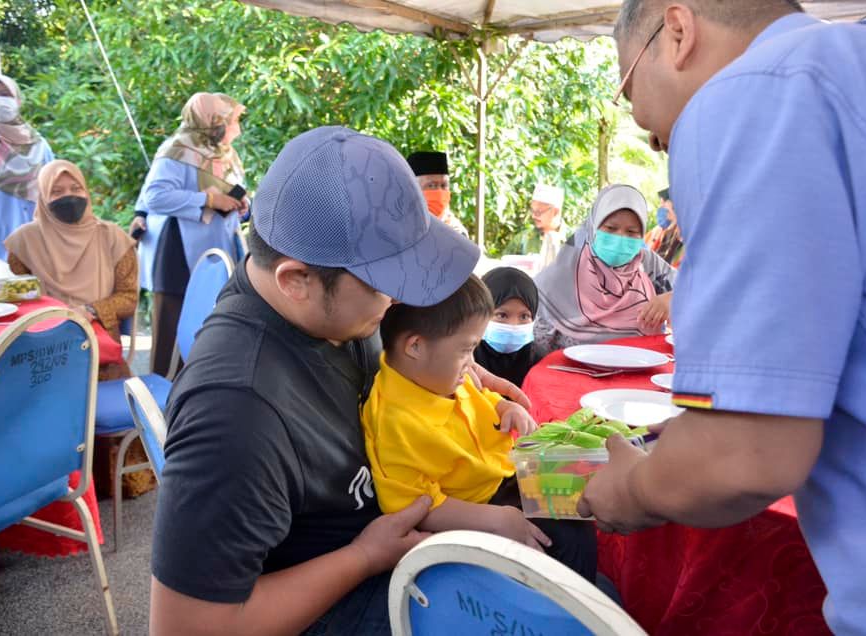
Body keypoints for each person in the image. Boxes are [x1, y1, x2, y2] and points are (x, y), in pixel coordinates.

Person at [577, 3, 866, 634]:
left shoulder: (751, 93)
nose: (650, 134)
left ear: (678, 32)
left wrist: (627, 492)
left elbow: (742, 455)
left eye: (629, 88)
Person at [150, 126, 532, 635]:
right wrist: (362, 557)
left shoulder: (337, 311)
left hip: (413, 521)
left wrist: (468, 369)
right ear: (296, 281)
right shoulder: (236, 414)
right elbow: (188, 628)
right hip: (344, 594)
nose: (398, 299)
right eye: (384, 283)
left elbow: (395, 357)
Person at [362, 274, 597, 580]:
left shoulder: (437, 375)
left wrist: (505, 406)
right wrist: (495, 520)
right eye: (466, 350)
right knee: (565, 541)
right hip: (473, 509)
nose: (472, 365)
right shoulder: (397, 422)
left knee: (580, 501)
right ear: (415, 346)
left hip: (501, 475)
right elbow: (414, 504)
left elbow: (480, 396)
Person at [134, 92, 248, 377]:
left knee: (208, 322)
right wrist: (207, 201)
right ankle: (161, 399)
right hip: (178, 250)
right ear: (214, 121)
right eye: (233, 121)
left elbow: (233, 191)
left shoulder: (225, 153)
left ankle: (197, 389)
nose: (237, 128)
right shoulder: (177, 150)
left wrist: (242, 206)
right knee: (171, 326)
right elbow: (155, 197)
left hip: (218, 247)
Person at [4, 159, 137, 381]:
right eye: (57, 191)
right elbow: (17, 300)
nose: (69, 196)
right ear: (43, 197)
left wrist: (89, 310)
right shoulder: (24, 243)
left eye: (76, 189)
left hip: (99, 354)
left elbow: (128, 298)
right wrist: (54, 317)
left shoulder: (112, 238)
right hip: (41, 351)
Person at [534, 184, 675, 355]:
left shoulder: (648, 264)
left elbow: (700, 293)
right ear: (593, 226)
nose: (620, 238)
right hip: (571, 374)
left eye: (631, 232)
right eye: (611, 229)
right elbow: (538, 346)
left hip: (640, 372)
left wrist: (672, 298)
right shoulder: (563, 273)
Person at [0, 75, 54, 262]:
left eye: (4, 94)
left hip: (35, 250)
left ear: (18, 101)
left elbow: (53, 194)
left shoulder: (39, 146)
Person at [474, 267, 543, 387]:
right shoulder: (465, 358)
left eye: (524, 316)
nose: (513, 326)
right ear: (480, 313)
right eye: (502, 315)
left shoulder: (537, 360)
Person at [505, 183, 568, 273]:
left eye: (538, 212)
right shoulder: (523, 238)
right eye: (532, 210)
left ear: (555, 212)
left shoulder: (575, 240)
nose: (534, 216)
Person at [407, 150, 469, 236]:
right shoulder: (398, 226)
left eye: (444, 185)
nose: (439, 192)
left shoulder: (457, 232)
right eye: (431, 185)